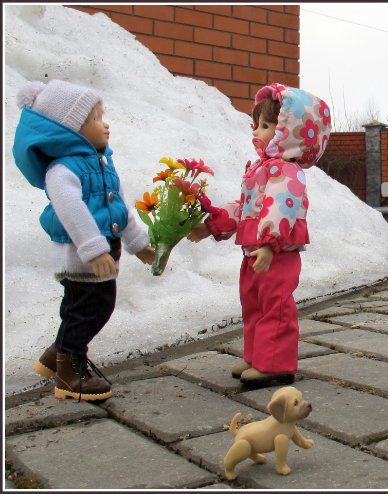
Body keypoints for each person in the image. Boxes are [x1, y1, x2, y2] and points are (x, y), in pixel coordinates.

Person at [13, 79, 155, 401]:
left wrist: (136, 244)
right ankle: (69, 373)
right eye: (95, 119)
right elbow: (70, 210)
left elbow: (119, 205)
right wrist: (93, 250)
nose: (105, 125)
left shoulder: (102, 163)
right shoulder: (62, 170)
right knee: (90, 308)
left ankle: (56, 356)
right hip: (79, 253)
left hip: (103, 249)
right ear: (70, 129)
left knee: (84, 307)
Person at [188, 84, 331, 387]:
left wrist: (269, 244)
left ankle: (275, 364)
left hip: (276, 254)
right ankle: (256, 356)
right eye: (257, 124)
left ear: (288, 133)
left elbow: (281, 208)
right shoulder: (261, 169)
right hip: (255, 253)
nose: (257, 130)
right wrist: (213, 226)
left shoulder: (286, 172)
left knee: (274, 306)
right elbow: (244, 208)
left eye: (267, 125)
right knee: (253, 303)